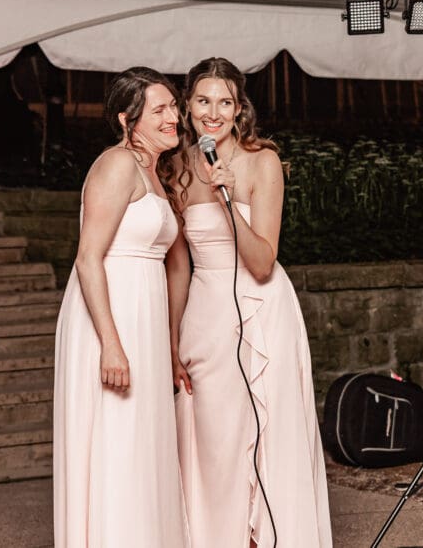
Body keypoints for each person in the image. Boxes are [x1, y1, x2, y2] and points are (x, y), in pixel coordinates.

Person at [164, 57, 333, 548]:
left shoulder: (263, 163)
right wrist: (171, 340)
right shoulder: (175, 167)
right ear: (188, 106)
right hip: (206, 317)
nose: (212, 112)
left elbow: (262, 262)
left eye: (225, 102)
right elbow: (179, 266)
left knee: (268, 435)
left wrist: (227, 199)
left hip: (262, 312)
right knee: (214, 444)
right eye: (202, 100)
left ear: (240, 110)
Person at [53, 66, 190, 547]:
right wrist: (111, 344)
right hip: (109, 317)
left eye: (173, 105)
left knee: (142, 442)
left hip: (144, 316)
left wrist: (170, 346)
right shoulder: (116, 165)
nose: (173, 116)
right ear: (127, 118)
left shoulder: (155, 170)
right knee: (117, 443)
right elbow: (89, 257)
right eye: (160, 109)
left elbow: (176, 264)